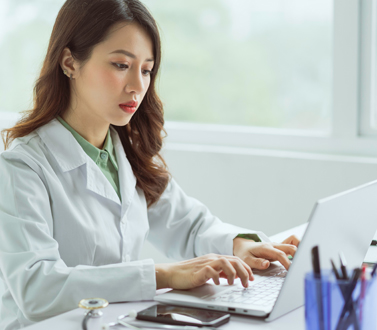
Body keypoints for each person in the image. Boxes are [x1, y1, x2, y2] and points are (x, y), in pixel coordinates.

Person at [0, 0, 299, 329]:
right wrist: (162, 275)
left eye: (146, 69)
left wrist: (241, 245)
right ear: (70, 62)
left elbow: (190, 224)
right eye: (120, 65)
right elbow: (36, 289)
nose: (137, 86)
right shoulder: (21, 166)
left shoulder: (126, 153)